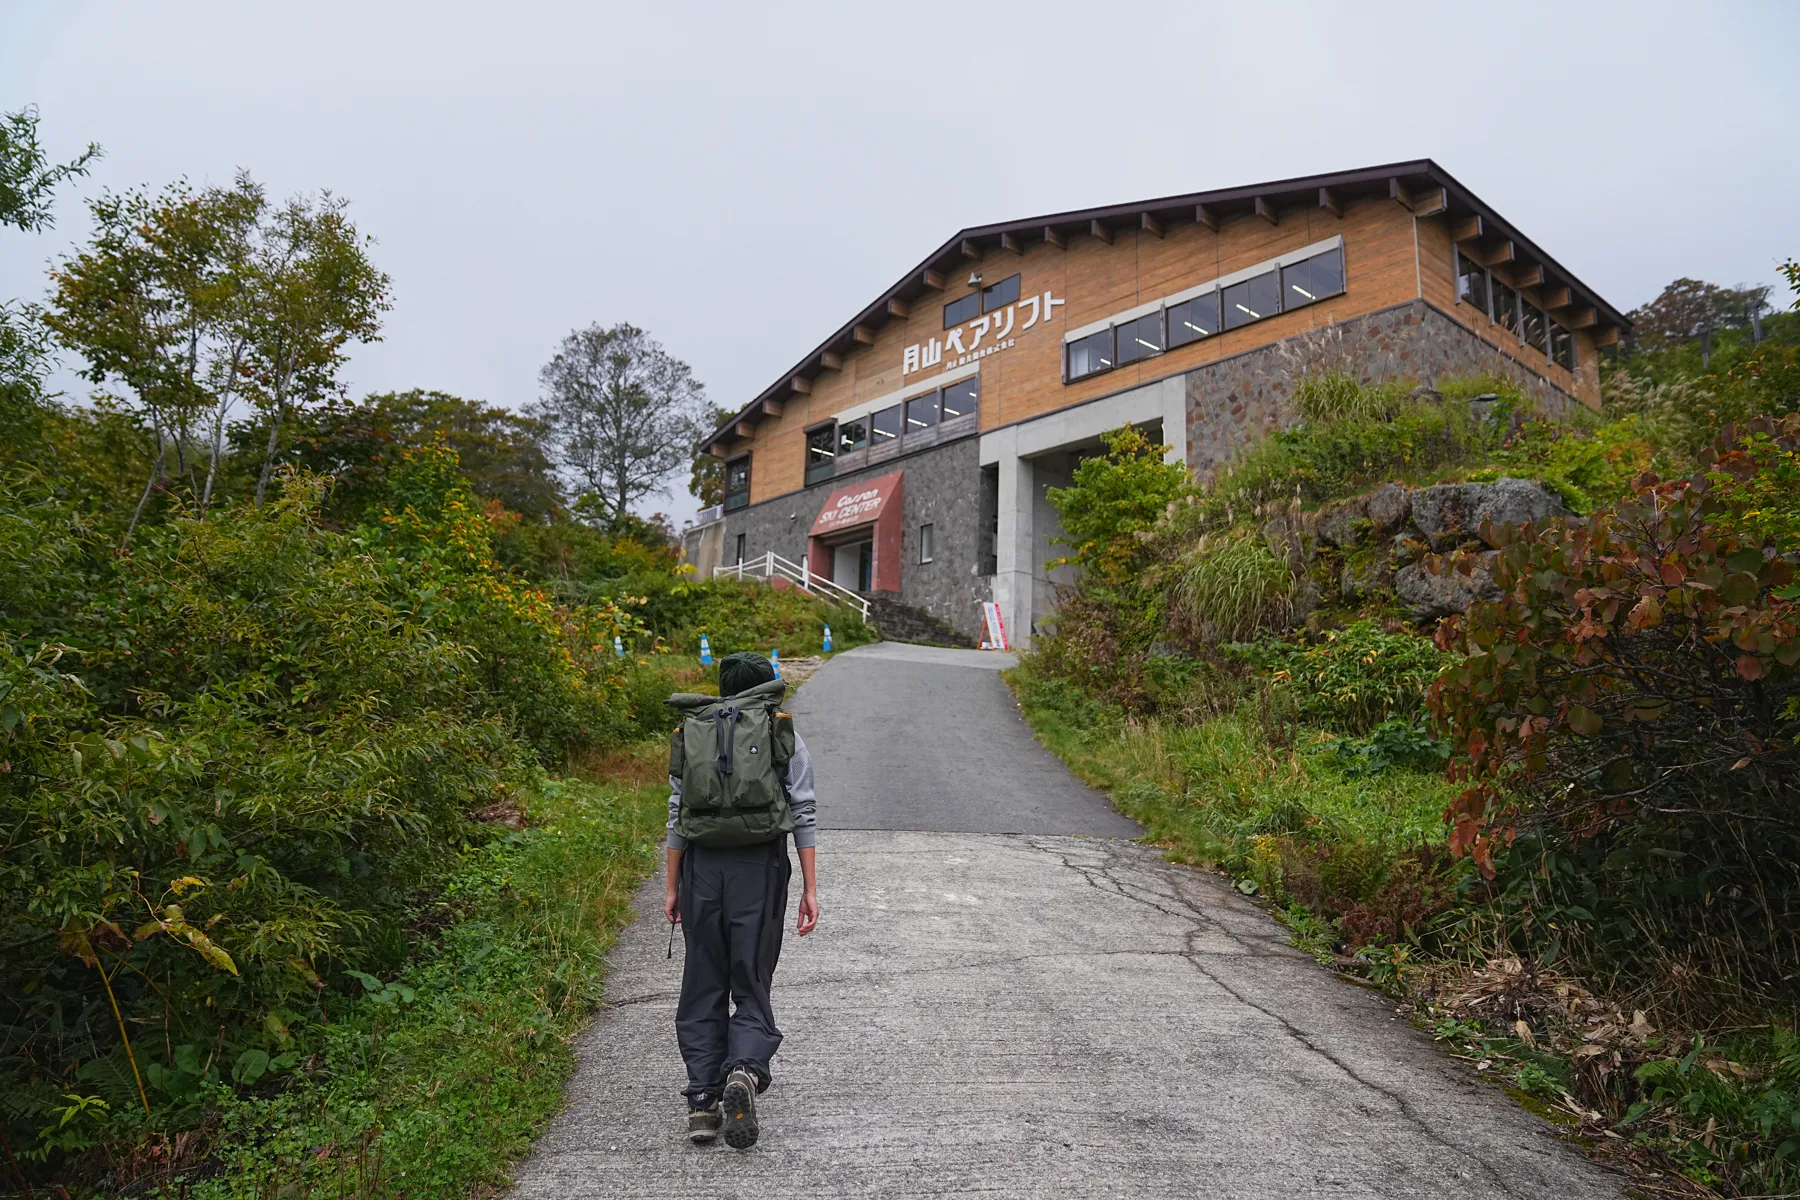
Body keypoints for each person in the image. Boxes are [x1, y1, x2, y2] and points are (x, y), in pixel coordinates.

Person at [664, 651, 820, 1150]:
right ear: (768, 688)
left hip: (703, 869)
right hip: (760, 866)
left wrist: (672, 887)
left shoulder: (692, 731)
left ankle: (702, 1103)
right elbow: (804, 811)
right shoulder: (780, 733)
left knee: (702, 978)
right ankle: (744, 1073)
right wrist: (811, 889)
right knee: (751, 978)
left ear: (724, 686)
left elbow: (675, 814)